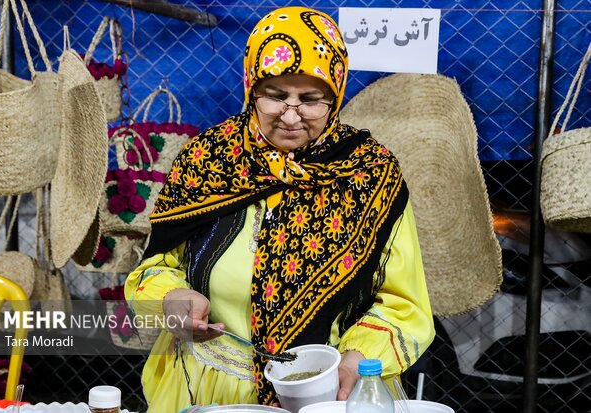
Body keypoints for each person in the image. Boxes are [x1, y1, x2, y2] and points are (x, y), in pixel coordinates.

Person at [125, 6, 435, 412]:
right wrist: (171, 297)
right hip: (210, 389)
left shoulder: (370, 174)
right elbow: (155, 266)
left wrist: (361, 355)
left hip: (328, 394)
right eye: (275, 95)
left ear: (335, 95)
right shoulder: (208, 160)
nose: (291, 115)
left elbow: (403, 302)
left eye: (310, 99)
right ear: (251, 87)